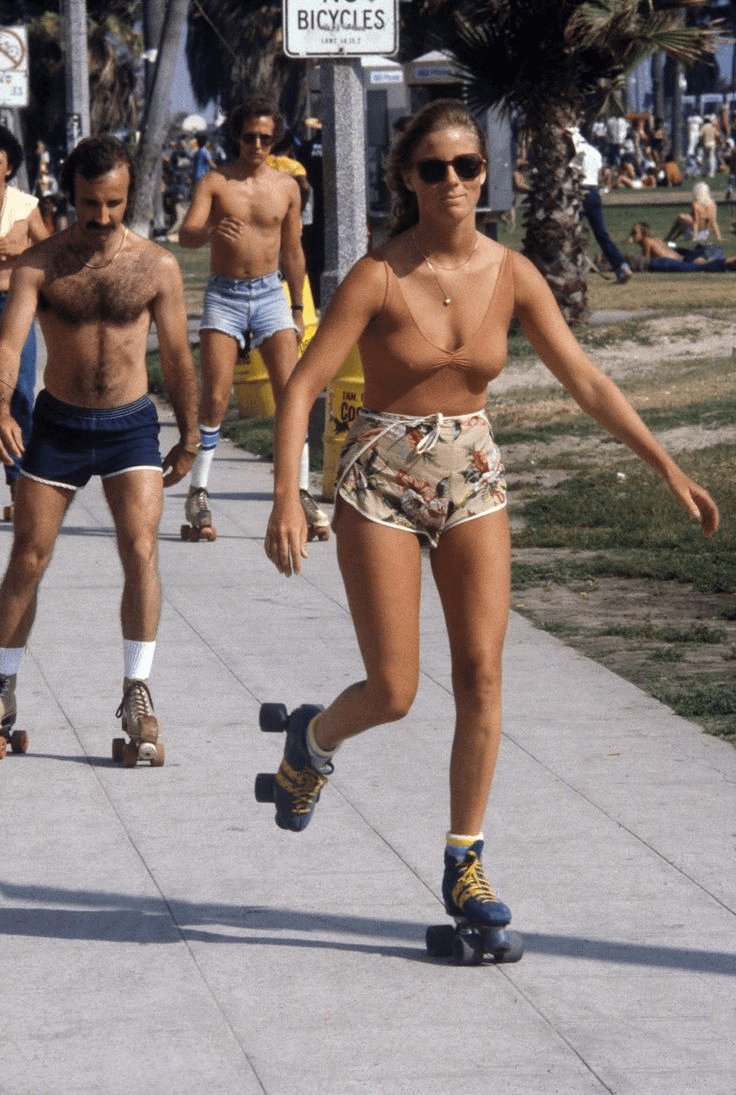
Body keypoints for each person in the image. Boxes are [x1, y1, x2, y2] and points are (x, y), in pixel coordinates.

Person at [262, 100, 719, 933]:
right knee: (396, 689)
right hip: (382, 482)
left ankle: (464, 858)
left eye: (467, 166)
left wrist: (668, 469)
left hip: (473, 477)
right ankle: (313, 739)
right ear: (407, 177)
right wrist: (288, 494)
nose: (453, 182)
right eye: (433, 168)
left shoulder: (514, 274)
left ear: (487, 175)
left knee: (481, 675)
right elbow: (302, 385)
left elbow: (585, 380)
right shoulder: (378, 275)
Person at [0, 135, 199, 763]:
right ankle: (2, 690)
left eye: (114, 203)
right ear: (69, 194)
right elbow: (9, 345)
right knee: (28, 559)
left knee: (141, 550)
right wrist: (1, 404)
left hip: (130, 426)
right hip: (57, 426)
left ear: (128, 193)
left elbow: (174, 354)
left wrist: (191, 433)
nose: (104, 217)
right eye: (91, 204)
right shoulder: (40, 264)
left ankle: (137, 690)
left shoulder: (157, 267)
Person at [178, 97, 328, 540]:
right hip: (224, 295)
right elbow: (185, 235)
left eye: (265, 137)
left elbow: (294, 250)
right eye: (249, 137)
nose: (257, 144)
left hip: (270, 294)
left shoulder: (286, 187)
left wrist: (299, 308)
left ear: (275, 138)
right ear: (237, 137)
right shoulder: (216, 182)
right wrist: (208, 232)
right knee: (217, 399)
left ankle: (299, 491)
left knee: (292, 393)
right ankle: (199, 491)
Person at [0, 126, 49, 517]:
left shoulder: (24, 206)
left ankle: (20, 482)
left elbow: (51, 253)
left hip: (16, 306)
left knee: (20, 394)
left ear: (9, 166)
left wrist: (22, 249)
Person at [568, 126, 633, 284]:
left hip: (580, 194)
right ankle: (621, 266)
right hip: (594, 193)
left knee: (569, 233)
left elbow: (573, 173)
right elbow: (600, 173)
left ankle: (571, 271)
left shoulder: (578, 152)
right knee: (602, 235)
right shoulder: (594, 151)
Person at [629, 221, 734, 272]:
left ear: (643, 233)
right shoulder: (655, 239)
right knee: (707, 264)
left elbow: (646, 262)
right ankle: (729, 262)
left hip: (684, 261)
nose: (632, 235)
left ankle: (730, 260)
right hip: (685, 257)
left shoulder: (647, 241)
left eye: (634, 233)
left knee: (705, 265)